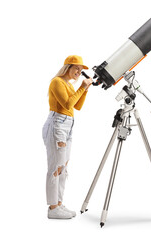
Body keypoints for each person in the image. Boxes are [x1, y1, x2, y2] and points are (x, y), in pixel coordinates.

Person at [42, 55, 93, 219]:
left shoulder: (69, 85)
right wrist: (81, 88)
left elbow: (77, 106)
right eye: (76, 68)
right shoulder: (57, 81)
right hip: (57, 124)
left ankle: (59, 203)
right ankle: (52, 208)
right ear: (67, 68)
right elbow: (67, 104)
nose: (79, 72)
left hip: (68, 124)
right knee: (55, 167)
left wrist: (84, 90)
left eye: (81, 69)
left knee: (63, 167)